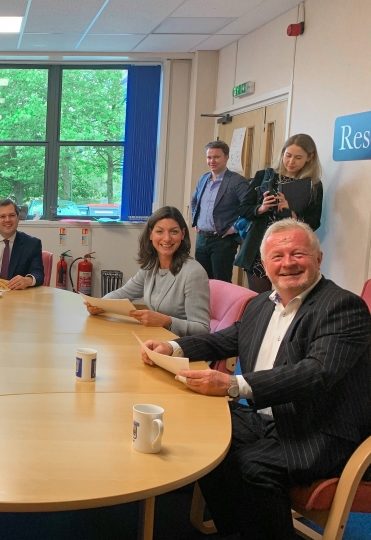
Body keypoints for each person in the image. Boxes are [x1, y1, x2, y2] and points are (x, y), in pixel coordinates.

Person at [141, 219, 371, 540]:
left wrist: (235, 385)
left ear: (318, 260)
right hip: (265, 417)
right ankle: (236, 530)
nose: (288, 263)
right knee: (205, 443)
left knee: (250, 467)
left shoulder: (342, 306)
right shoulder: (262, 303)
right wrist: (172, 346)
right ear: (264, 265)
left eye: (298, 254)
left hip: (320, 428)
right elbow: (227, 339)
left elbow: (317, 371)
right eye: (277, 256)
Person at [85, 206, 210, 337]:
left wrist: (167, 321)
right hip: (156, 340)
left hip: (182, 348)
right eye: (160, 231)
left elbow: (202, 329)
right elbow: (123, 293)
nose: (167, 239)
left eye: (174, 232)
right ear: (151, 234)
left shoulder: (193, 273)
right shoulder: (151, 267)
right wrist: (100, 305)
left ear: (183, 234)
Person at [235, 133, 324, 293]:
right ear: (282, 153)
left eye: (298, 157)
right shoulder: (264, 176)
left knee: (287, 299)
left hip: (291, 250)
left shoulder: (313, 186)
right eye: (288, 155)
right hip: (259, 248)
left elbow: (314, 222)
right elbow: (243, 209)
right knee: (260, 300)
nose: (291, 162)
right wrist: (261, 208)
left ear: (309, 157)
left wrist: (291, 214)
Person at [190, 140, 249, 282]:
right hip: (202, 239)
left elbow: (249, 209)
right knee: (202, 281)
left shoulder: (237, 181)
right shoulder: (204, 178)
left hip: (223, 241)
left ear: (226, 157)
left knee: (221, 282)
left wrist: (234, 228)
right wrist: (196, 220)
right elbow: (194, 201)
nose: (212, 161)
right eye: (209, 157)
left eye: (216, 157)